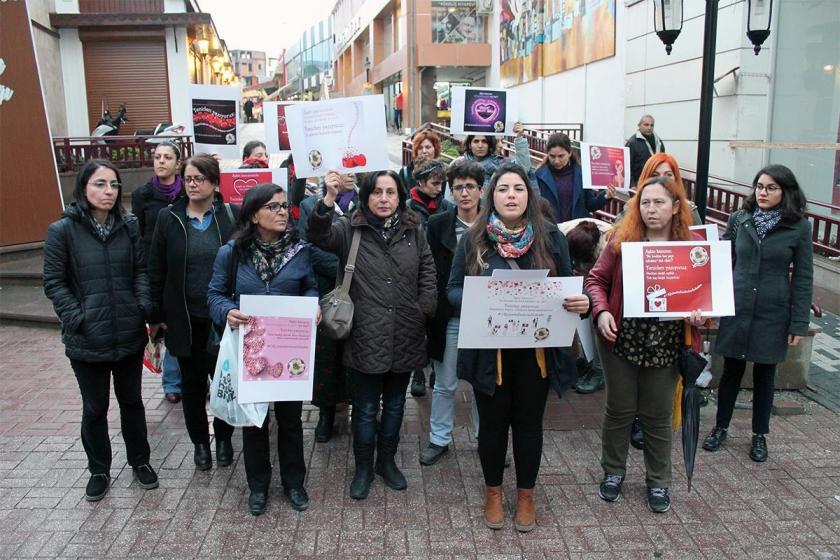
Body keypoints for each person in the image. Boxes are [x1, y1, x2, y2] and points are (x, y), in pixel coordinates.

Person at [448, 162, 590, 532]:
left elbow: (572, 288)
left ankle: (526, 494)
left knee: (528, 426)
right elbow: (450, 291)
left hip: (536, 353)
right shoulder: (473, 239)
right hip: (489, 353)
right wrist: (483, 297)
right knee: (493, 427)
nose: (511, 195)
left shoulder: (550, 238)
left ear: (529, 195)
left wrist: (581, 301)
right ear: (491, 196)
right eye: (503, 189)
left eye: (518, 189)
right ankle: (493, 492)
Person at [308, 169, 437, 500]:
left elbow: (427, 271)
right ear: (366, 196)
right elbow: (317, 235)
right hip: (365, 333)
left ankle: (387, 463)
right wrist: (328, 198)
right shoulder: (350, 229)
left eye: (390, 192)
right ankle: (363, 468)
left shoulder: (414, 230)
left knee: (395, 405)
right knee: (365, 409)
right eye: (377, 192)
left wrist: (423, 308)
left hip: (406, 331)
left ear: (399, 196)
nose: (384, 198)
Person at [585, 175, 704, 514]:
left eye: (659, 202)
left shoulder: (691, 247)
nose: (652, 209)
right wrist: (602, 311)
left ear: (676, 207)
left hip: (667, 343)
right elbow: (596, 280)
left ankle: (659, 481)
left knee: (657, 414)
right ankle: (613, 472)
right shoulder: (621, 241)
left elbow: (705, 298)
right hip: (621, 339)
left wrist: (700, 316)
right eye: (645, 203)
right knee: (620, 409)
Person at [44, 160, 159, 502]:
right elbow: (54, 282)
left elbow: (141, 271)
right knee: (94, 408)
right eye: (99, 184)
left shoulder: (129, 226)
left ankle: (140, 462)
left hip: (128, 333)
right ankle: (99, 469)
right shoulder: (61, 231)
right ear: (83, 188)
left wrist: (141, 306)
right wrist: (77, 317)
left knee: (132, 403)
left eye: (113, 185)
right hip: (86, 339)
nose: (108, 192)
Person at [208, 184, 318, 515]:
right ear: (254, 215)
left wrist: (314, 305)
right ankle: (258, 487)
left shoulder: (300, 251)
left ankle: (294, 483)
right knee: (254, 422)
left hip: (288, 351)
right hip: (250, 350)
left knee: (291, 421)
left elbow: (310, 285)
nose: (283, 212)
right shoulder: (231, 253)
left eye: (285, 206)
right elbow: (214, 294)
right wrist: (227, 312)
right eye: (273, 207)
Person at [703, 165, 813, 462]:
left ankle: (759, 435)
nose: (762, 193)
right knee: (731, 371)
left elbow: (803, 278)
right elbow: (723, 260)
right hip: (737, 307)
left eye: (770, 188)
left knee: (766, 374)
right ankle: (720, 427)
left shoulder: (799, 227)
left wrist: (799, 323)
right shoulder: (740, 219)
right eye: (759, 187)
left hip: (773, 311)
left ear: (785, 192)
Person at [148, 154, 239, 471]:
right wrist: (156, 315)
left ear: (215, 183)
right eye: (188, 178)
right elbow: (156, 268)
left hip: (222, 319)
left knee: (225, 383)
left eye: (200, 178)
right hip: (185, 320)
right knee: (192, 385)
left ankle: (225, 439)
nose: (193, 184)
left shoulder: (228, 216)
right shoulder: (169, 219)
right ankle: (201, 444)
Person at [419, 160, 485, 466]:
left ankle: (487, 438)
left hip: (488, 318)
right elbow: (428, 270)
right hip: (450, 316)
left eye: (470, 186)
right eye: (458, 187)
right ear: (451, 191)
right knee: (444, 383)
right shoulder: (438, 224)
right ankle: (439, 438)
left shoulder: (494, 224)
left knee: (485, 385)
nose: (464, 193)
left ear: (481, 190)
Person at [297, 171, 359, 443]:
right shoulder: (312, 205)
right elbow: (308, 246)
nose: (348, 173)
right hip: (326, 291)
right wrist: (346, 270)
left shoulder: (367, 201)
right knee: (326, 356)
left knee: (360, 353)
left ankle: (362, 411)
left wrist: (357, 273)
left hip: (363, 291)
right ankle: (325, 413)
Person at [130, 141, 185, 404]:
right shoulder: (142, 194)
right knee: (165, 324)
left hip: (184, 263)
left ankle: (195, 380)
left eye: (167, 157)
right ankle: (172, 382)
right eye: (157, 157)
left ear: (177, 162)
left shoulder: (188, 189)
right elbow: (138, 232)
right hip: (155, 267)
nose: (161, 161)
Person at [406, 159, 455, 396]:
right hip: (414, 275)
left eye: (442, 184)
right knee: (417, 326)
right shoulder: (407, 208)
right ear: (420, 182)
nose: (439, 188)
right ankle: (418, 372)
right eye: (435, 183)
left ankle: (437, 369)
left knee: (439, 326)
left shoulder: (446, 206)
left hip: (442, 274)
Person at [559, 217, 612, 394]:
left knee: (596, 318)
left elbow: (602, 278)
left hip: (602, 282)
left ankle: (599, 371)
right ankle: (582, 362)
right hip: (578, 277)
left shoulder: (608, 242)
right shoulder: (562, 233)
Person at [535, 132, 615, 223]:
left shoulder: (581, 173)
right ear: (547, 154)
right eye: (552, 156)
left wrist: (605, 196)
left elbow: (590, 205)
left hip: (576, 232)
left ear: (569, 153)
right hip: (551, 231)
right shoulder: (539, 175)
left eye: (561, 156)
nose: (557, 161)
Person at [452, 123, 531, 188]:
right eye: (476, 141)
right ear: (469, 145)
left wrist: (519, 137)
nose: (480, 145)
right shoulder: (458, 164)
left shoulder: (501, 164)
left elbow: (523, 168)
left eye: (484, 142)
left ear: (489, 145)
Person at [626, 115, 665, 186]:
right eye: (646, 125)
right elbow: (627, 166)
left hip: (655, 182)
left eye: (652, 125)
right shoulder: (632, 142)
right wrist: (632, 185)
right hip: (638, 184)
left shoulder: (658, 141)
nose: (649, 128)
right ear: (639, 125)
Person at [399, 128, 442, 193]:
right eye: (420, 148)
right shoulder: (406, 172)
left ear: (435, 149)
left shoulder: (442, 171)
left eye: (428, 147)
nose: (424, 151)